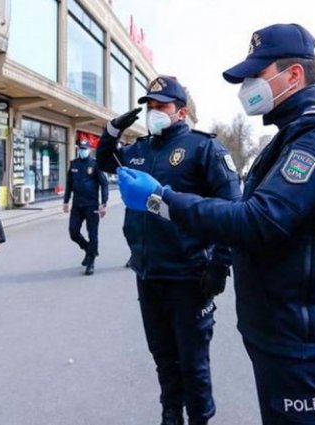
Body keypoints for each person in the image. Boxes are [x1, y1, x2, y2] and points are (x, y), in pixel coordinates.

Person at [116, 24, 315, 425]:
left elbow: (255, 220)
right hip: (274, 329)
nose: (248, 86)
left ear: (294, 75)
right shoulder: (289, 137)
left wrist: (162, 200)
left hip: (298, 340)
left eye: (256, 75)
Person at [97, 76, 241, 425]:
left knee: (192, 362)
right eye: (150, 106)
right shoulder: (140, 149)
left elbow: (231, 208)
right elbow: (105, 162)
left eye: (161, 106)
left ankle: (200, 419)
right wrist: (112, 131)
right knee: (163, 356)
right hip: (149, 273)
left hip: (189, 276)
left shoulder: (204, 149)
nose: (153, 112)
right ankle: (171, 415)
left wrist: (219, 266)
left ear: (181, 112)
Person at [63, 139, 109, 275]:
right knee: (73, 232)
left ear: (89, 149)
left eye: (85, 149)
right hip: (77, 205)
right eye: (81, 148)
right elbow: (69, 184)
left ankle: (91, 263)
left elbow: (104, 184)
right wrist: (66, 201)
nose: (82, 151)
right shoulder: (74, 164)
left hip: (91, 205)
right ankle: (89, 250)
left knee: (92, 233)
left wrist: (104, 203)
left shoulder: (95, 164)